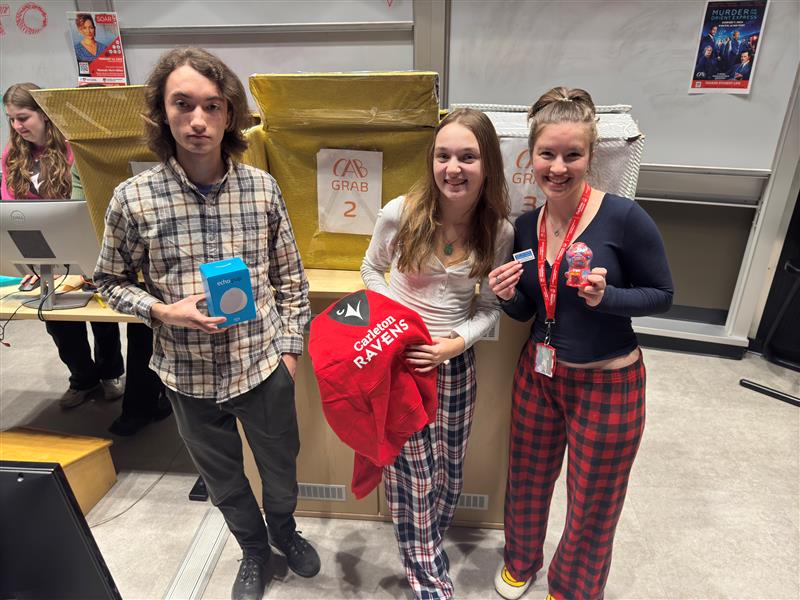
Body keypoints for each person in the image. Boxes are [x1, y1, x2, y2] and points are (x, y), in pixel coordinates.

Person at [93, 47, 319, 600]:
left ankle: (283, 531)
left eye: (212, 106)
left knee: (281, 468)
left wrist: (288, 354)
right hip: (185, 375)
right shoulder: (133, 198)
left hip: (262, 366)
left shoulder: (261, 188)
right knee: (223, 479)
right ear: (162, 113)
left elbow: (291, 278)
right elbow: (107, 282)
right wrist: (163, 311)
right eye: (183, 104)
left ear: (229, 115)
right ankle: (252, 549)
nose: (198, 120)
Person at [489, 87, 673, 600]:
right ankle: (521, 561)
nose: (559, 166)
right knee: (526, 479)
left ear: (591, 157)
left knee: (594, 498)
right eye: (548, 153)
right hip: (539, 374)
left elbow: (663, 295)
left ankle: (571, 587)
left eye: (573, 154)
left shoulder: (624, 218)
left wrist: (606, 296)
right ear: (532, 156)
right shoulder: (526, 226)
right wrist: (506, 297)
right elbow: (530, 308)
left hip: (609, 381)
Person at [361, 107, 514, 599]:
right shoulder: (399, 213)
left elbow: (489, 307)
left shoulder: (500, 231)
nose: (453, 168)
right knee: (415, 476)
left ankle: (425, 539)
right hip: (400, 366)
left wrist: (455, 343)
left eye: (467, 157)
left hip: (455, 366)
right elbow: (369, 272)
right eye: (443, 155)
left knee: (448, 469)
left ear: (487, 164)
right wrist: (394, 325)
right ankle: (427, 576)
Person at [2, 82, 125, 409]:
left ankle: (111, 373)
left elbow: (84, 203)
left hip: (82, 242)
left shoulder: (72, 150)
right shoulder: (12, 156)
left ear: (44, 114)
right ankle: (82, 378)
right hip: (40, 250)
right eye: (11, 119)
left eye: (23, 117)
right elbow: (11, 208)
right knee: (56, 319)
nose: (17, 126)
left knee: (101, 317)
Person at [70, 162, 173, 436]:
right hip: (106, 250)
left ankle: (141, 402)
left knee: (146, 327)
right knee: (84, 321)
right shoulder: (87, 157)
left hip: (159, 258)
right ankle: (95, 378)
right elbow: (77, 212)